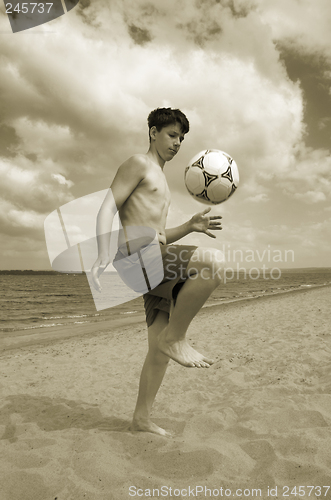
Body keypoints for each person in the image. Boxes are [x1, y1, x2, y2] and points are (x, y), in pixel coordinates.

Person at [91, 108, 224, 436]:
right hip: (137, 260)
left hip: (155, 264)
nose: (177, 143)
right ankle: (176, 338)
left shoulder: (161, 180)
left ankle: (141, 419)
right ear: (153, 132)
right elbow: (108, 206)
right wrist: (101, 252)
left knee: (157, 350)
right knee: (213, 263)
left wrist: (190, 226)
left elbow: (160, 236)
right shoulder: (139, 164)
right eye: (171, 135)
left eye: (181, 138)